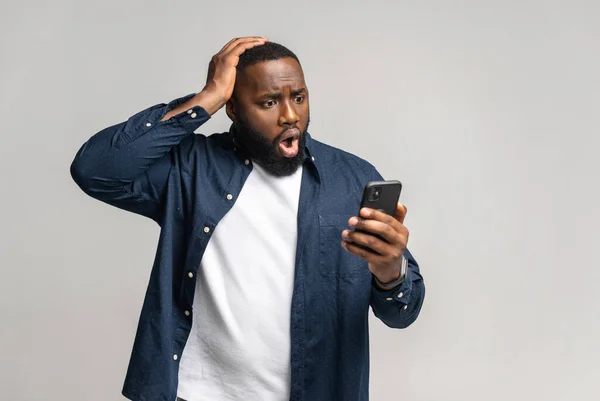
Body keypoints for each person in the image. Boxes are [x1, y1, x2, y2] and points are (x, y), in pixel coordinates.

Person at [70, 36, 425, 401]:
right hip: (198, 393)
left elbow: (403, 313)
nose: (290, 116)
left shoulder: (351, 178)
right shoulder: (192, 168)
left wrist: (389, 270)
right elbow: (95, 169)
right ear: (234, 108)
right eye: (268, 102)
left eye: (298, 98)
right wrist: (205, 99)